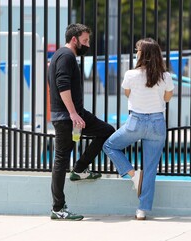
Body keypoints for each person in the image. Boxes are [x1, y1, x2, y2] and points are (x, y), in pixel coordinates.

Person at [48, 23, 115, 221]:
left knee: (105, 131)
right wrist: (72, 113)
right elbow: (61, 84)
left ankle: (79, 169)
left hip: (69, 115)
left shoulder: (59, 56)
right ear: (74, 39)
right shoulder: (67, 56)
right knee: (61, 160)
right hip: (69, 116)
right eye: (85, 41)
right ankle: (58, 207)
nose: (87, 45)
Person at [103, 38, 174, 220]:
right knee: (150, 168)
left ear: (142, 54)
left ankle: (134, 175)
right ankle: (142, 210)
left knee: (109, 146)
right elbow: (167, 99)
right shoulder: (166, 76)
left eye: (137, 50)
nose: (136, 53)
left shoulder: (130, 75)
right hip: (157, 124)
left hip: (136, 122)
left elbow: (127, 93)